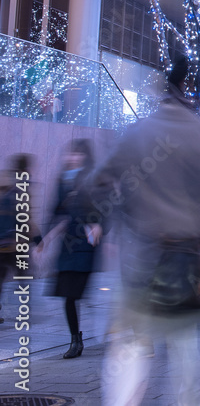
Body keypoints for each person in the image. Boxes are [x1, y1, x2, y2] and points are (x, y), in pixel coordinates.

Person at [95, 56, 200, 406]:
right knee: (186, 351)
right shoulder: (197, 134)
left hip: (139, 257)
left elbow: (99, 181)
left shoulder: (139, 131)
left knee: (131, 344)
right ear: (188, 91)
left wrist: (125, 214)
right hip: (183, 258)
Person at [48, 139, 104, 359]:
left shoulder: (92, 178)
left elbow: (102, 206)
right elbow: (57, 210)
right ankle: (75, 340)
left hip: (85, 244)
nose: (73, 157)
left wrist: (99, 226)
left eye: (78, 154)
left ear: (85, 156)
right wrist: (43, 240)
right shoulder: (63, 180)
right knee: (68, 296)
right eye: (71, 153)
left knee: (77, 293)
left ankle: (88, 335)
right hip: (67, 246)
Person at [0, 154, 40, 324]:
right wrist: (37, 238)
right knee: (24, 276)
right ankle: (24, 312)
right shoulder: (21, 188)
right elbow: (25, 218)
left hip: (5, 244)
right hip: (16, 245)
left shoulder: (7, 184)